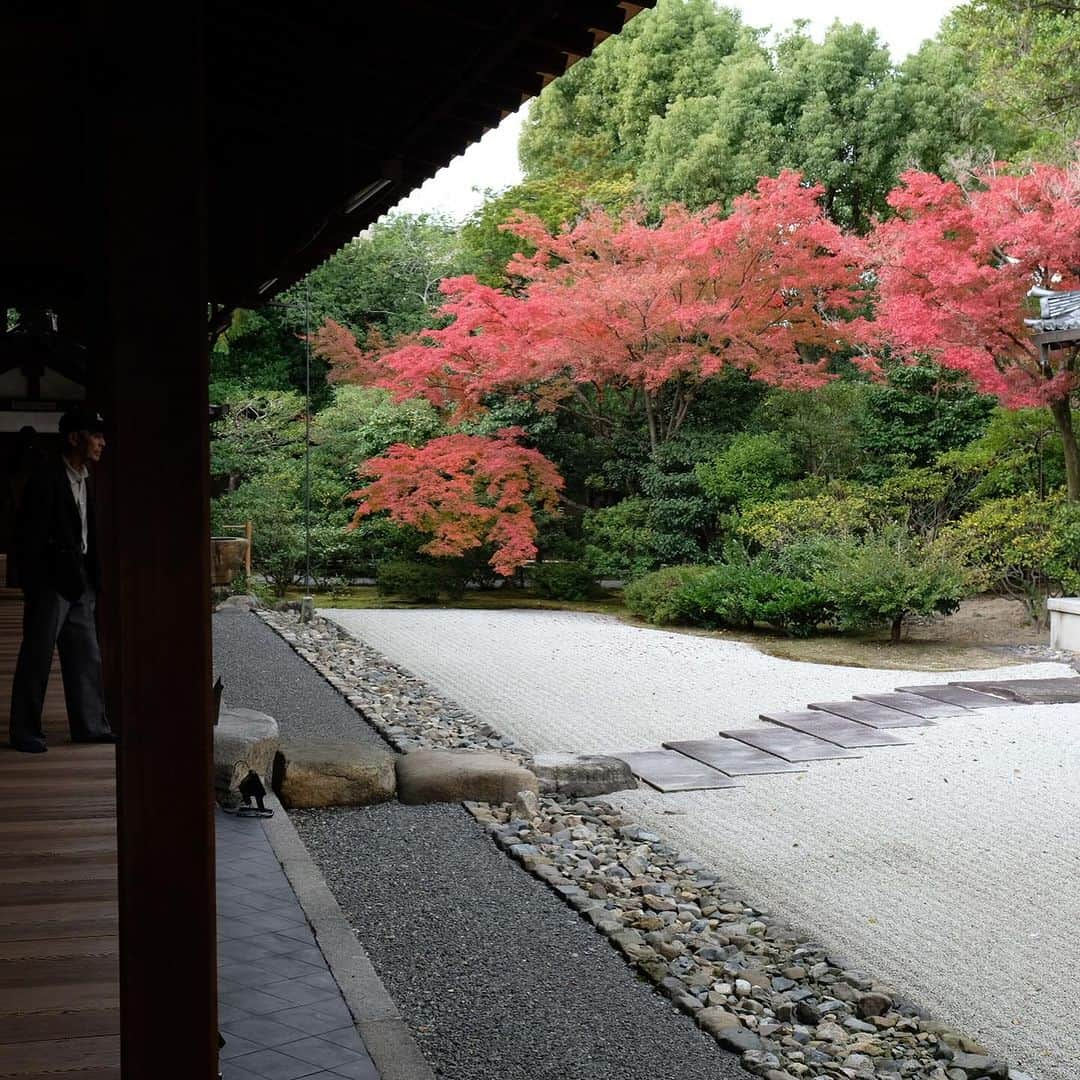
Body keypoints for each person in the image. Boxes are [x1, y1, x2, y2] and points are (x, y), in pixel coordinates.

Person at [8, 407, 117, 752]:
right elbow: (28, 536)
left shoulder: (87, 477)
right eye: (95, 435)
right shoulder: (45, 478)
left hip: (80, 577)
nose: (102, 442)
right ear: (74, 438)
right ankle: (24, 731)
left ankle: (90, 726)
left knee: (86, 653)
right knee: (37, 655)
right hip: (49, 580)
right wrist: (34, 583)